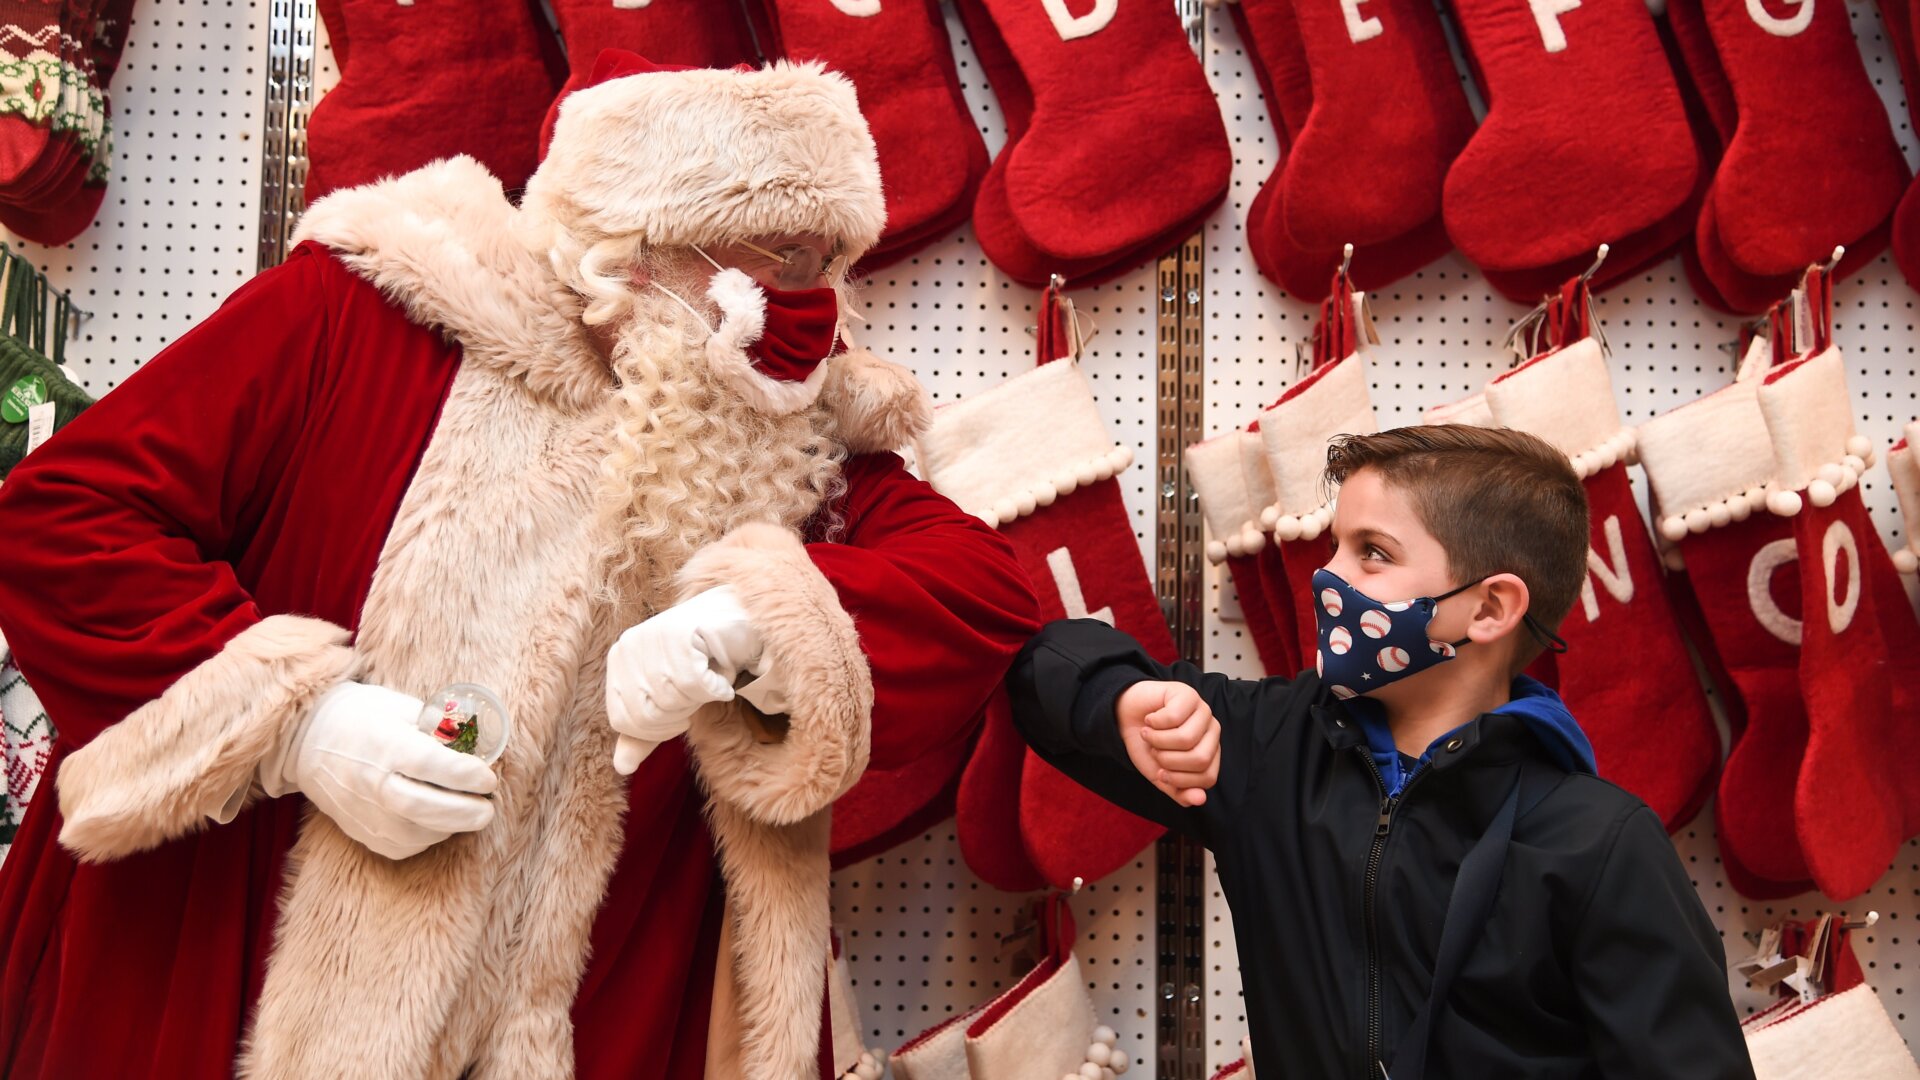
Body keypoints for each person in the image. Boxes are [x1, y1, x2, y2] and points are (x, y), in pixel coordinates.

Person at [0, 50, 1038, 1079]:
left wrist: (755, 623)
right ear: (635, 251)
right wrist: (295, 725)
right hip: (251, 976)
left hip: (599, 1015)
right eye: (777, 259)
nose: (815, 306)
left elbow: (980, 589)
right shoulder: (358, 320)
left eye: (829, 262)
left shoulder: (789, 443)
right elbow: (66, 515)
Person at [1008, 425, 1754, 1079]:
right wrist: (1120, 701)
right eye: (1334, 546)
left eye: (1372, 553)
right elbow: (1038, 668)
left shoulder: (1599, 843)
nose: (1329, 577)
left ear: (1490, 608)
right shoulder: (1272, 750)